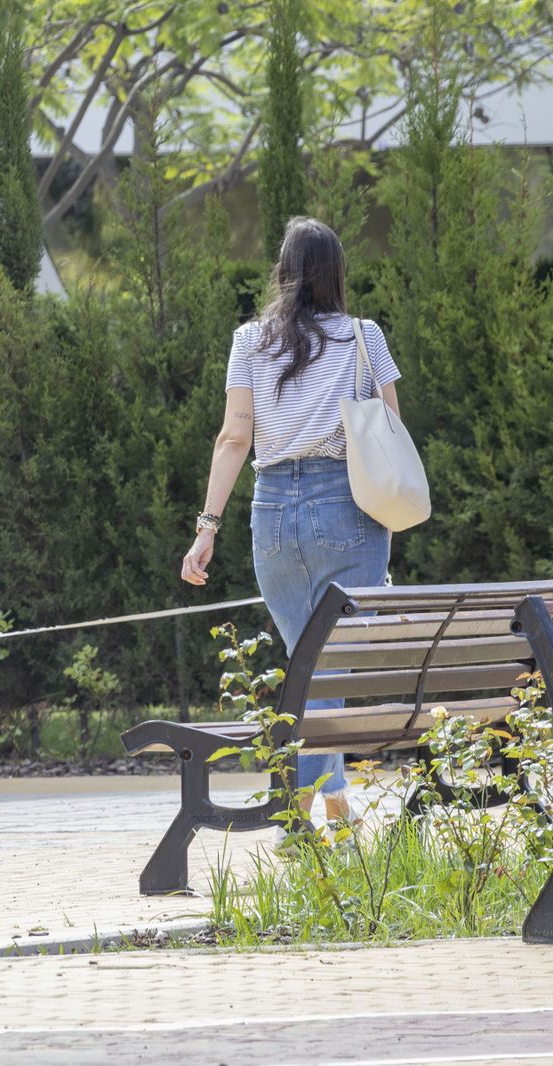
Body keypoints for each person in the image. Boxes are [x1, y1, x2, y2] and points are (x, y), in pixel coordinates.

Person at [180, 216, 404, 836]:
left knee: (309, 668)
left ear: (284, 271)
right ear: (336, 273)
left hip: (271, 515)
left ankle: (330, 812)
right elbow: (389, 433)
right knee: (326, 672)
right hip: (349, 509)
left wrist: (207, 528)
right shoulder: (366, 337)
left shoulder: (250, 340)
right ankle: (304, 821)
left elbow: (233, 438)